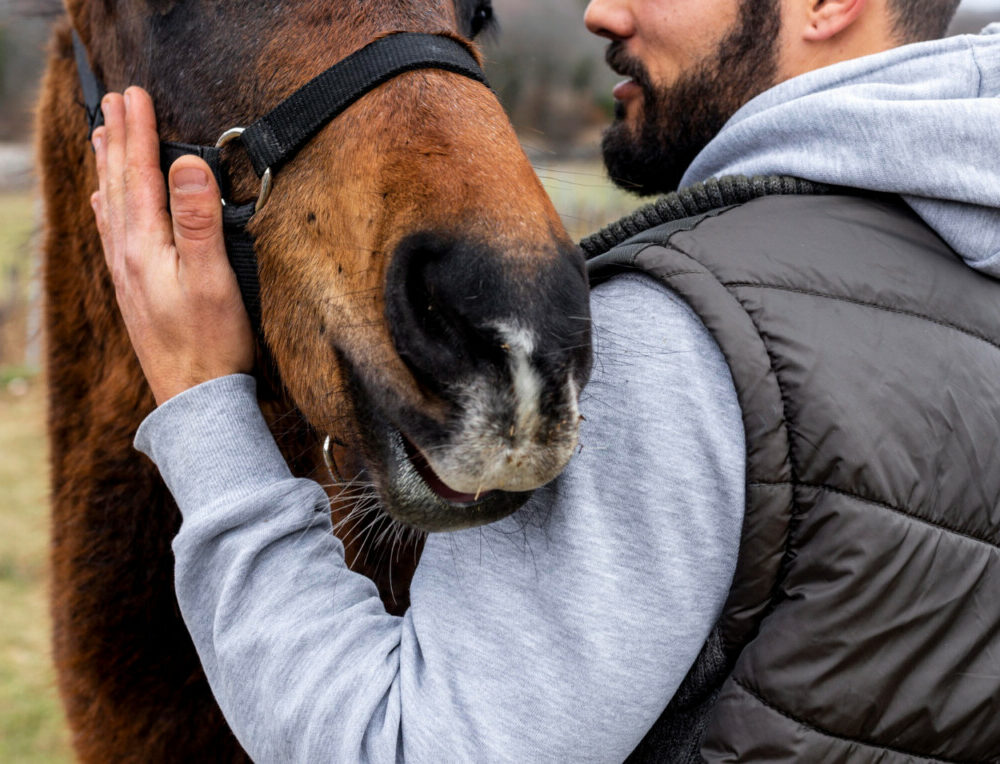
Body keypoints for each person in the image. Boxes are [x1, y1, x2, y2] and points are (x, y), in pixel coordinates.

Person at [89, 0, 1000, 760]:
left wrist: (202, 403)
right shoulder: (968, 266)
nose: (602, 9)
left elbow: (399, 746)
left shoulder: (685, 339)